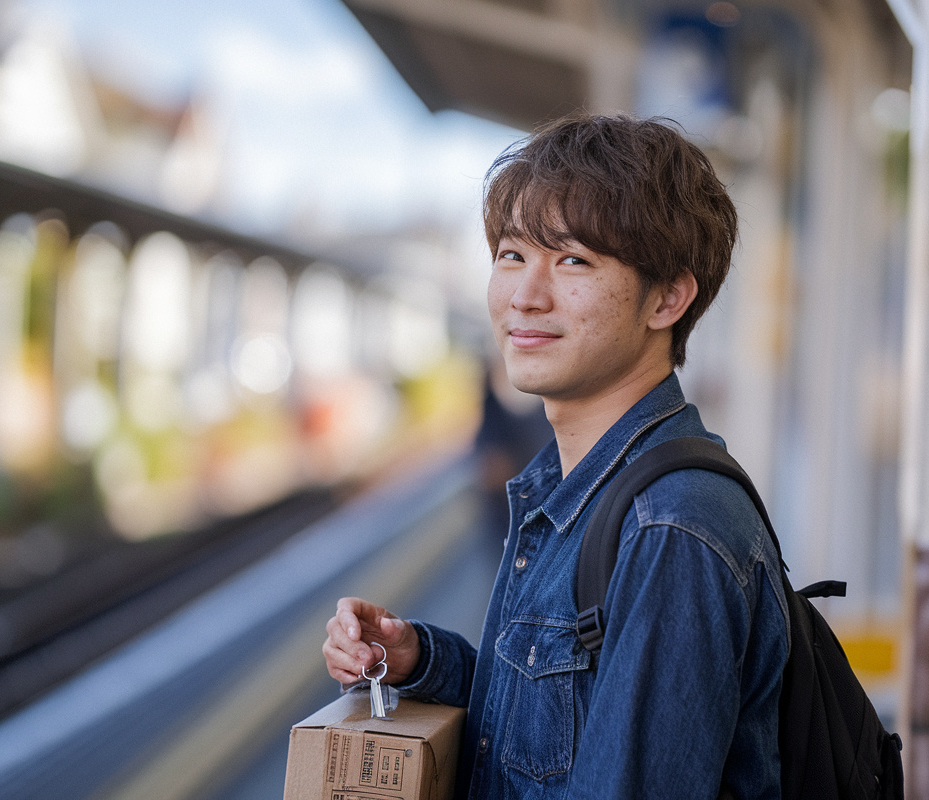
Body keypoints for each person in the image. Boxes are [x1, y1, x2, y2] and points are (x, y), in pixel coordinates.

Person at [322, 114, 789, 799]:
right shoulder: (575, 484)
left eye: (573, 260)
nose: (524, 296)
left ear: (668, 297)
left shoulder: (670, 528)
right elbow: (568, 720)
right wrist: (423, 661)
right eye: (512, 255)